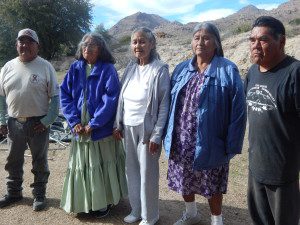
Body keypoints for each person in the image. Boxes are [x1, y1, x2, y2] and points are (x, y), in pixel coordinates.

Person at [164, 22, 246, 225]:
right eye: (197, 37)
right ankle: (191, 214)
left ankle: (217, 221)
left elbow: (239, 111)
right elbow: (169, 104)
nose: (200, 42)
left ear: (216, 43)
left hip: (211, 140)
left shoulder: (228, 69)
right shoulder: (182, 68)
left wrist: (231, 144)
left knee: (212, 183)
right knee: (184, 179)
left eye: (206, 37)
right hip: (182, 139)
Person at [60, 32, 127, 217]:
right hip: (79, 129)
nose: (86, 48)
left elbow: (111, 99)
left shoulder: (108, 69)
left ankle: (102, 203)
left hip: (100, 130)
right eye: (84, 45)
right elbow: (65, 95)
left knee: (100, 164)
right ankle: (83, 203)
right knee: (83, 164)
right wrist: (74, 122)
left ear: (100, 49)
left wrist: (94, 123)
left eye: (91, 45)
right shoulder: (75, 68)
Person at [244, 16, 300, 225]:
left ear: (282, 41)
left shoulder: (294, 73)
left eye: (263, 40)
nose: (256, 45)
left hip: (284, 175)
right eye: (252, 40)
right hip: (256, 168)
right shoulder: (252, 72)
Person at [113, 27, 170, 225]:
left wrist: (157, 134)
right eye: (135, 42)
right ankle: (136, 210)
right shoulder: (130, 68)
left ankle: (149, 216)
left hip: (147, 130)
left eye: (143, 41)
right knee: (132, 171)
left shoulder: (159, 69)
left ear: (152, 44)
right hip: (127, 126)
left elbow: (164, 105)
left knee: (148, 174)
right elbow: (121, 99)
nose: (138, 45)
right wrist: (117, 123)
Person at [0, 28, 60, 211]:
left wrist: (47, 121)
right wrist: (2, 120)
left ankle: (39, 195)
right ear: (17, 44)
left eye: (29, 42)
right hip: (14, 122)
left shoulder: (45, 66)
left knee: (39, 161)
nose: (24, 45)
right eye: (21, 41)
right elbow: (1, 97)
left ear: (37, 46)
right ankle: (14, 192)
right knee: (13, 160)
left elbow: (56, 98)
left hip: (38, 124)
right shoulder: (7, 67)